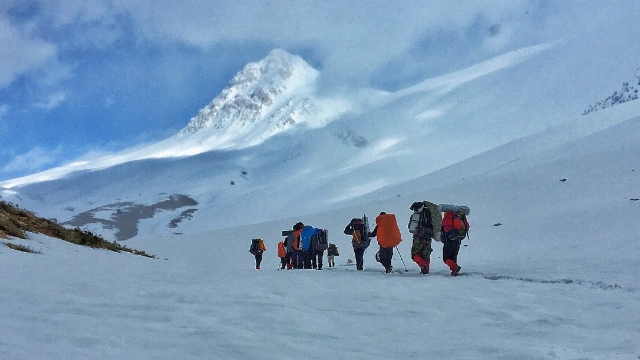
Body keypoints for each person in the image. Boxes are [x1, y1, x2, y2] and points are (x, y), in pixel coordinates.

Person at [441, 211, 469, 276]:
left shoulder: (448, 218)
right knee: (453, 257)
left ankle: (455, 268)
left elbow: (446, 230)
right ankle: (454, 271)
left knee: (446, 258)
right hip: (458, 240)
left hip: (449, 240)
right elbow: (467, 227)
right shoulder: (460, 217)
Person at [409, 201, 434, 274]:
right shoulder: (429, 213)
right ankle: (426, 271)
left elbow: (410, 226)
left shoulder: (415, 214)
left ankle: (423, 265)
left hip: (418, 236)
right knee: (426, 254)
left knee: (414, 254)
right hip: (429, 236)